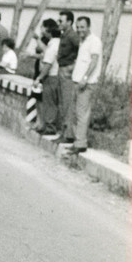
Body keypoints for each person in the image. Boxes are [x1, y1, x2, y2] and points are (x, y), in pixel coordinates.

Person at [68, 16, 102, 154]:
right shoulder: (83, 41)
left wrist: (85, 78)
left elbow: (94, 61)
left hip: (86, 83)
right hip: (77, 81)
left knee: (82, 113)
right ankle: (77, 141)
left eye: (82, 27)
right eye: (78, 27)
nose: (79, 29)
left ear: (88, 27)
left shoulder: (95, 41)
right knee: (76, 112)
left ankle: (81, 143)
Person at [55, 10, 80, 144]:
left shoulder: (72, 36)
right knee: (63, 103)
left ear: (69, 22)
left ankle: (68, 135)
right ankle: (64, 132)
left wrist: (73, 65)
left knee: (67, 103)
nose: (59, 23)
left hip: (67, 70)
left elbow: (81, 48)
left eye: (61, 21)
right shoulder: (65, 35)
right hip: (62, 69)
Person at [34, 19, 61, 138]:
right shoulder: (55, 44)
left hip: (51, 77)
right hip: (55, 76)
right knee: (51, 103)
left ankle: (50, 127)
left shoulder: (53, 45)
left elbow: (48, 64)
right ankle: (48, 125)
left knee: (49, 102)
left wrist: (39, 78)